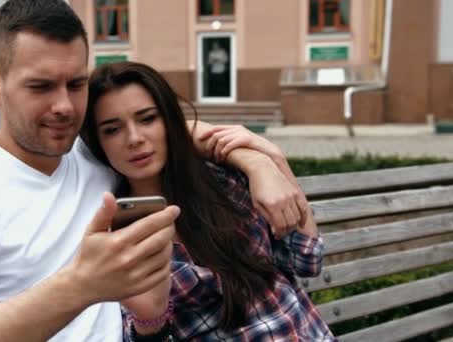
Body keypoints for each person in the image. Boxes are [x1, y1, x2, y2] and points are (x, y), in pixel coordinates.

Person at [0, 1, 307, 341]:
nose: (64, 106)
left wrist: (258, 164)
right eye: (41, 87)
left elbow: (172, 131)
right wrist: (81, 286)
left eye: (76, 84)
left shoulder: (94, 150)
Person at [81, 61, 336, 341]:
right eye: (112, 129)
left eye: (147, 118)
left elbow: (307, 259)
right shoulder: (115, 231)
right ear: (98, 142)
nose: (134, 139)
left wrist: (273, 160)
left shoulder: (223, 180)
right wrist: (150, 320)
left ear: (169, 120)